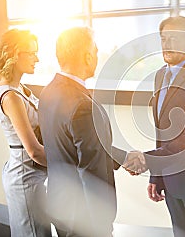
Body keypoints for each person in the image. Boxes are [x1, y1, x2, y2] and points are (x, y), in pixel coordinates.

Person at [38, 26, 142, 237]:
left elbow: (79, 146)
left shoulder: (48, 92)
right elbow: (89, 169)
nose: (96, 56)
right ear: (86, 57)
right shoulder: (82, 105)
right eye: (95, 51)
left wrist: (123, 157)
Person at [130, 16, 185, 237]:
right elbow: (164, 133)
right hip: (170, 182)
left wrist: (148, 160)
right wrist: (157, 175)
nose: (166, 44)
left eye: (174, 38)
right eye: (163, 38)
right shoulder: (161, 75)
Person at [0, 29, 50, 237]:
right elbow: (34, 151)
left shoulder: (19, 87)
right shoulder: (11, 97)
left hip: (30, 173)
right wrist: (71, 162)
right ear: (15, 55)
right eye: (32, 53)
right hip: (26, 177)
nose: (37, 58)